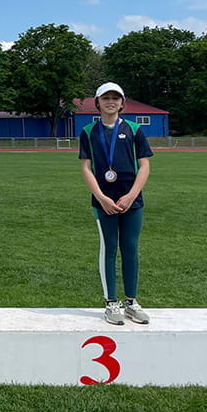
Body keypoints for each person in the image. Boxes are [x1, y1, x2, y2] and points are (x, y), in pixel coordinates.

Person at [78, 82, 154, 326]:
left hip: (132, 199)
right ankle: (111, 303)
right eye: (106, 98)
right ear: (97, 102)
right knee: (109, 249)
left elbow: (144, 166)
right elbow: (86, 168)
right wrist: (101, 197)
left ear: (122, 102)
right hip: (104, 201)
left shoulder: (134, 129)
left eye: (115, 98)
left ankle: (131, 302)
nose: (111, 102)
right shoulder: (88, 131)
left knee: (130, 248)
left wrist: (132, 195)